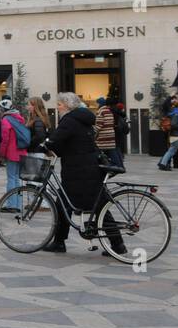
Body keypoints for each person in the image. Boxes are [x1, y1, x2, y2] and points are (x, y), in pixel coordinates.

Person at [43, 92, 125, 255]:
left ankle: (60, 243)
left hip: (78, 170)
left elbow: (56, 140)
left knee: (69, 203)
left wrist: (44, 146)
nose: (57, 107)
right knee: (89, 205)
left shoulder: (69, 120)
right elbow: (72, 142)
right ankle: (117, 245)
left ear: (67, 105)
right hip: (89, 168)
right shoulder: (83, 118)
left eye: (59, 104)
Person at [0, 99, 28, 209]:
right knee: (17, 179)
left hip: (11, 152)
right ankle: (18, 204)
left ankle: (11, 205)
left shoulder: (6, 120)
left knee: (11, 178)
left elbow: (5, 139)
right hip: (21, 151)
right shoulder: (19, 118)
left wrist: (1, 154)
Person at [156, 98, 178, 173]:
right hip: (175, 135)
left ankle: (162, 164)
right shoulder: (176, 113)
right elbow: (173, 124)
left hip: (174, 135)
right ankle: (163, 164)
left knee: (171, 151)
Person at [109, 98, 129, 169]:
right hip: (120, 132)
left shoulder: (113, 112)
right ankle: (121, 165)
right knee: (117, 148)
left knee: (115, 149)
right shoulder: (122, 114)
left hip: (115, 132)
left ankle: (120, 165)